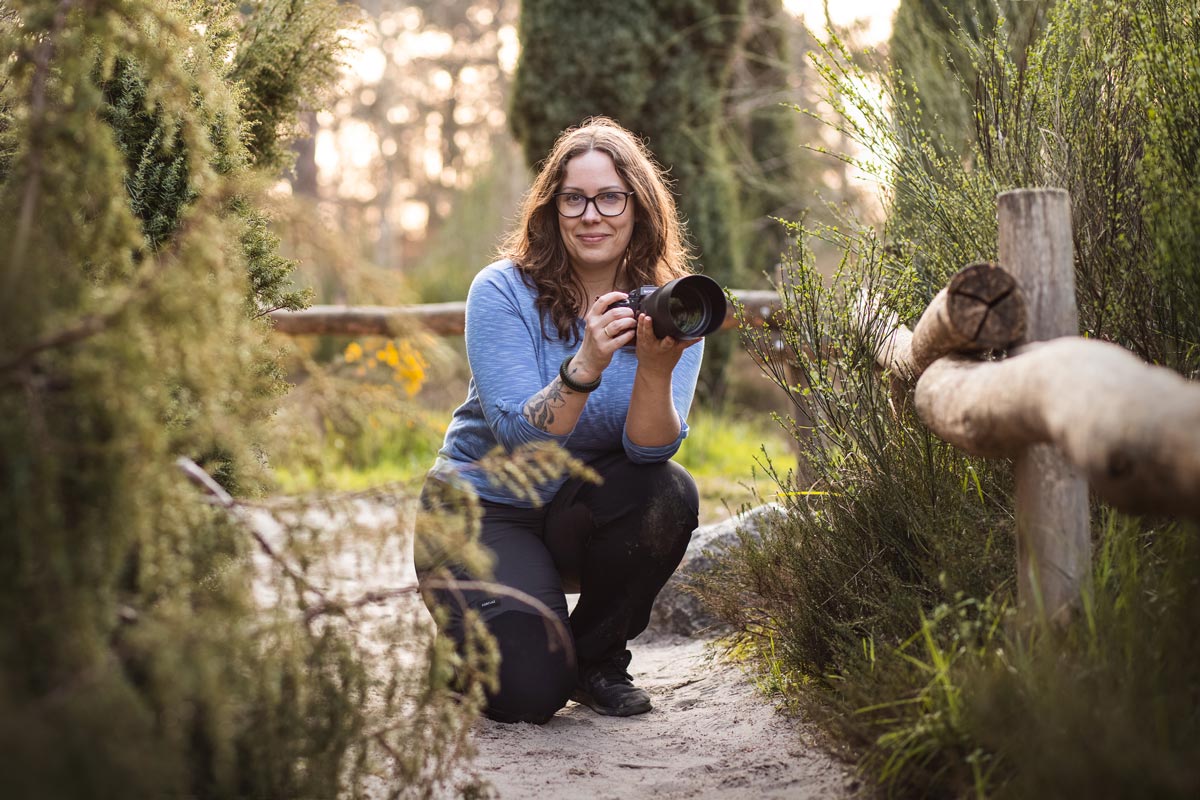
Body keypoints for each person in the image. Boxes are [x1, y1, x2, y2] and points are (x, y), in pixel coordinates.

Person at [415, 116, 705, 724]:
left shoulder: (677, 304)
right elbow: (521, 436)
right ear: (552, 210)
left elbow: (650, 456)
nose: (591, 214)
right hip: (482, 506)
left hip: (574, 509)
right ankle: (473, 640)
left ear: (639, 208)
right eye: (573, 198)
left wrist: (653, 370)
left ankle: (595, 661)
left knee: (667, 494)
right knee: (526, 696)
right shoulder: (502, 292)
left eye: (609, 197)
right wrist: (589, 359)